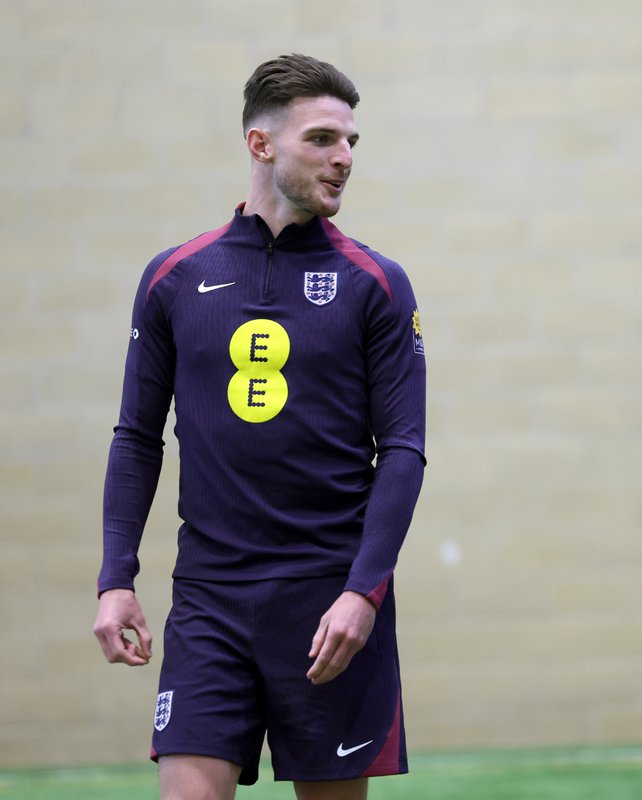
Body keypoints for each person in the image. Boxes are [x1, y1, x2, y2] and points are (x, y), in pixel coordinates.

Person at [92, 54, 426, 800]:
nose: (343, 158)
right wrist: (116, 580)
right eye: (321, 139)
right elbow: (137, 437)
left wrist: (363, 593)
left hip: (328, 603)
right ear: (261, 144)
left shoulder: (376, 283)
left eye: (351, 142)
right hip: (209, 600)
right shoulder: (174, 276)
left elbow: (402, 449)